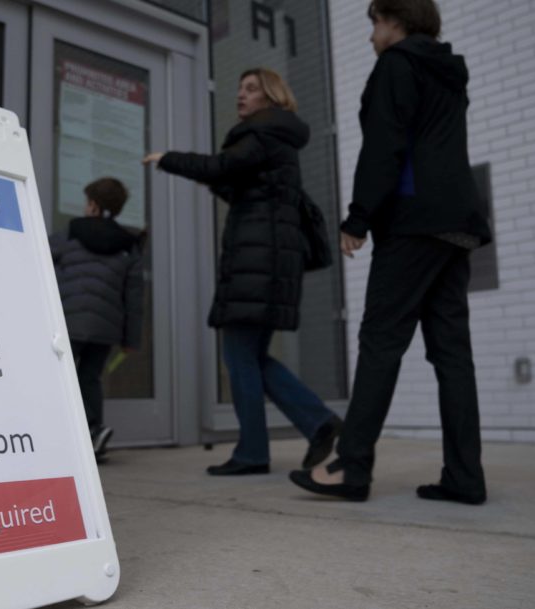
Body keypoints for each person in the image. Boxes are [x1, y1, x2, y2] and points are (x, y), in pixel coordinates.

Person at [290, 0, 491, 504]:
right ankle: (465, 477)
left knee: (381, 340)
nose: (371, 35)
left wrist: (359, 217)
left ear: (397, 21)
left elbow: (384, 145)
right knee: (452, 354)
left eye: (376, 22)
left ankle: (351, 467)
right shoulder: (448, 71)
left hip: (414, 221)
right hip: (458, 221)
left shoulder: (397, 66)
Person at [143, 68, 342, 476]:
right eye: (239, 89)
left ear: (270, 97)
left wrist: (169, 160)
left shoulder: (263, 132)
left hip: (259, 261)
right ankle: (316, 423)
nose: (240, 96)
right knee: (249, 355)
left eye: (251, 89)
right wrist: (216, 181)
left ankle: (260, 449)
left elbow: (221, 167)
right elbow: (246, 186)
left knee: (239, 355)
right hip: (269, 259)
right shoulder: (277, 138)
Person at [49, 177, 144, 462]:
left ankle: (55, 435)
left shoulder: (70, 234)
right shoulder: (129, 245)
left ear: (92, 204)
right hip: (105, 327)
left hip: (70, 320)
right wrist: (131, 340)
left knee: (57, 376)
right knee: (89, 377)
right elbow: (134, 297)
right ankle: (93, 431)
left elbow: (41, 259)